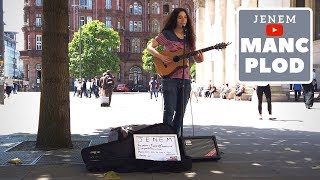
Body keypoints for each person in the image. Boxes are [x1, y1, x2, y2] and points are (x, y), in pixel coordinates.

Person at [147, 8, 204, 135]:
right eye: (180, 17)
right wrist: (161, 57)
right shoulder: (167, 34)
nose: (183, 19)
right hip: (170, 78)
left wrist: (200, 58)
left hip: (186, 78)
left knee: (180, 113)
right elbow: (150, 47)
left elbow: (197, 58)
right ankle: (166, 140)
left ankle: (176, 139)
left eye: (185, 17)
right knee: (169, 111)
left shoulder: (189, 36)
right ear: (175, 19)